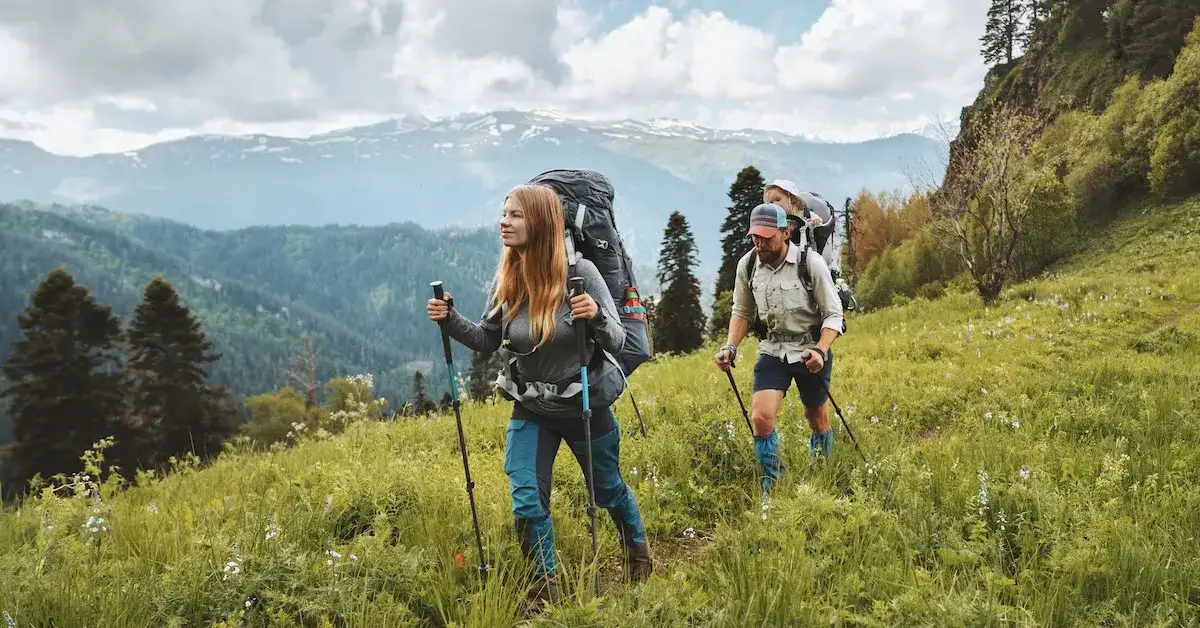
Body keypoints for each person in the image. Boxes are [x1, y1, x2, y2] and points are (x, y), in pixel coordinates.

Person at [427, 183, 652, 609]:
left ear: (541, 223)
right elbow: (487, 339)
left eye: (514, 215)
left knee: (606, 490)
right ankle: (544, 589)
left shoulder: (581, 273)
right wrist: (450, 318)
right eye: (503, 212)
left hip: (585, 405)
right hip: (531, 407)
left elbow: (618, 339)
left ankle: (637, 553)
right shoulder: (509, 277)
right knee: (527, 497)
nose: (503, 221)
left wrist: (597, 316)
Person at [714, 202, 844, 495]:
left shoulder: (810, 264)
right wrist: (730, 346)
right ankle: (773, 483)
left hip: (810, 349)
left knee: (816, 417)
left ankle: (823, 470)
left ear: (786, 232)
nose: (758, 242)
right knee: (761, 418)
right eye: (754, 236)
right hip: (773, 349)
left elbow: (834, 315)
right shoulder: (747, 266)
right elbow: (742, 311)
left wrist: (821, 351)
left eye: (765, 236)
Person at [763, 179, 842, 280]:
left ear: (792, 199)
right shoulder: (774, 224)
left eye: (778, 200)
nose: (774, 205)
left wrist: (814, 223)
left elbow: (817, 222)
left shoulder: (804, 215)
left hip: (813, 263)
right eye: (770, 203)